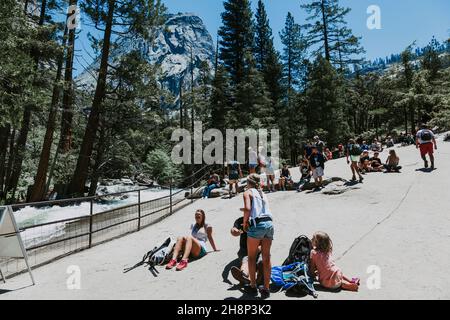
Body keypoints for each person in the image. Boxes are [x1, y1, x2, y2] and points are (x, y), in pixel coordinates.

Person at [242, 174, 274, 298]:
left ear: (248, 183)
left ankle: (253, 286)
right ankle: (266, 288)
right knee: (267, 257)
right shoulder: (263, 193)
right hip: (269, 224)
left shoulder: (247, 192)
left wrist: (245, 223)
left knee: (251, 257)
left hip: (257, 225)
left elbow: (247, 208)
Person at [230, 217, 263, 286]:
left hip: (259, 250)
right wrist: (235, 231)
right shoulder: (241, 220)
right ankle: (243, 276)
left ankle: (258, 277)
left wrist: (257, 249)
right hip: (245, 250)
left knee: (260, 261)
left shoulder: (262, 222)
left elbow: (266, 242)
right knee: (246, 260)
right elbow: (234, 230)